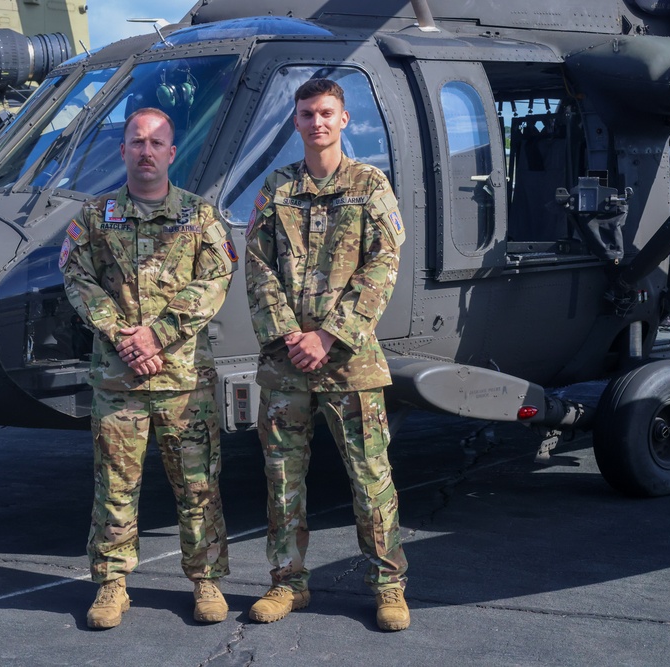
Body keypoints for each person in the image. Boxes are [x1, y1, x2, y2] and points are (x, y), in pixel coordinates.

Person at [61, 107, 238, 629]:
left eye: (156, 142)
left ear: (171, 153)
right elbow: (77, 277)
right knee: (114, 485)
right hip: (121, 380)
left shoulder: (199, 218)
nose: (146, 150)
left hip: (184, 381)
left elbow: (215, 281)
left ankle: (207, 582)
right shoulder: (95, 218)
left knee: (199, 485)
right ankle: (112, 584)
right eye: (136, 141)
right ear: (123, 151)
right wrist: (122, 334)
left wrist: (155, 335)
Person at [244, 79, 410, 632]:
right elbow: (257, 266)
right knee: (282, 479)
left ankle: (389, 587)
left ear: (344, 120)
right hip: (286, 363)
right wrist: (292, 333)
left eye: (327, 113)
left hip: (351, 360)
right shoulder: (276, 188)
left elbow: (384, 264)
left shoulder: (369, 185)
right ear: (296, 121)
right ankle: (286, 584)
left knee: (370, 478)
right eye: (307, 113)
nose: (317, 122)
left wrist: (329, 335)